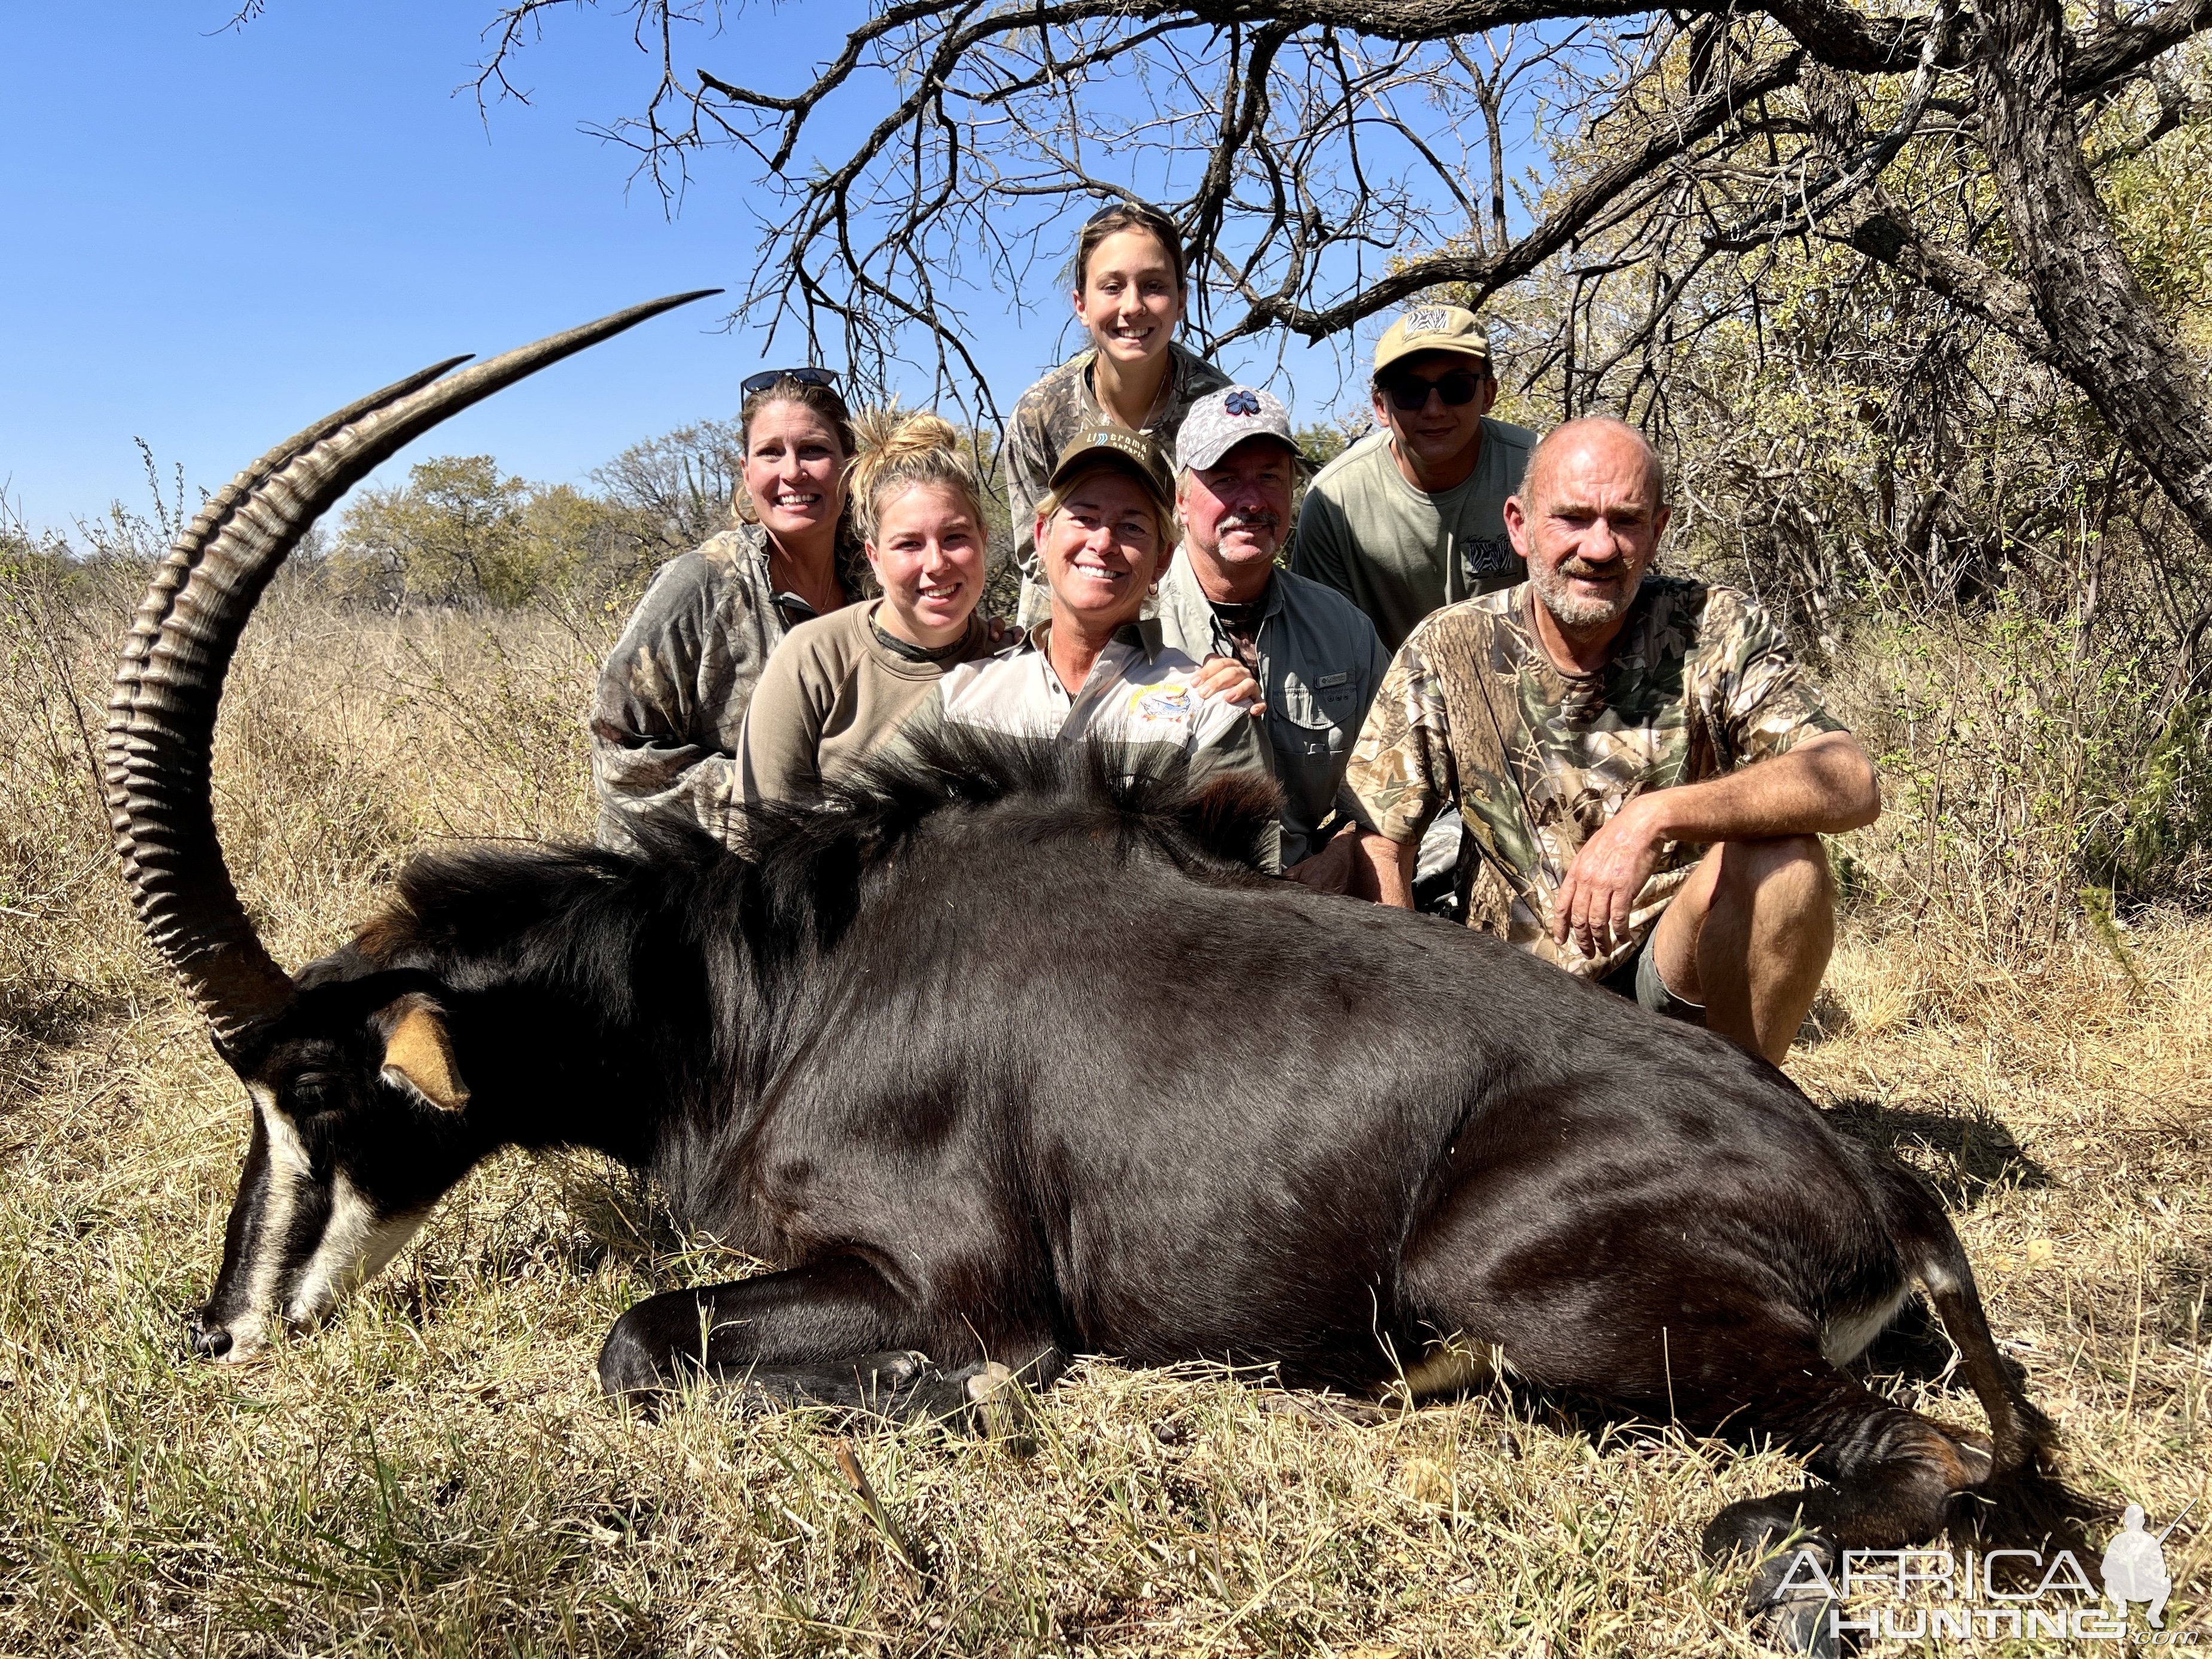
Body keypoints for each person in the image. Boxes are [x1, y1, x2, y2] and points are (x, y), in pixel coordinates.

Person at [1343, 416, 1881, 1066]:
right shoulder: (1449, 645)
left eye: (1624, 521)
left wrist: (1652, 817)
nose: (1599, 548)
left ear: (1657, 530)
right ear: (1518, 525)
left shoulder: (1714, 626)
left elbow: (1848, 779)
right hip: (1512, 993)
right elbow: (1381, 833)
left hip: (1671, 969)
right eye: (1571, 518)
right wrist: (1410, 1013)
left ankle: (1747, 1113)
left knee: (1786, 861)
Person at [925, 426, 1280, 868]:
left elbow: (1240, 895)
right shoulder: (959, 696)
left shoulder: (1210, 712)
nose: (1103, 543)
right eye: (1084, 517)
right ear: (1042, 535)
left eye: (1131, 526)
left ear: (1163, 559)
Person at [590, 368, 869, 851]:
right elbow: (617, 750)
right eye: (770, 453)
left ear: (851, 465)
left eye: (815, 450)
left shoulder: (880, 581)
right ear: (746, 472)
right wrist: (770, 803)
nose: (793, 472)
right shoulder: (701, 583)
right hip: (699, 886)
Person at [1154, 383, 1388, 891]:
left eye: (1269, 478)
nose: (1252, 500)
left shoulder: (1343, 628)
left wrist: (1348, 849)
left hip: (1314, 899)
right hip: (1177, 905)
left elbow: (1398, 780)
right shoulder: (1136, 625)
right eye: (1225, 479)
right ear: (1181, 499)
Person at [735, 410, 1002, 805]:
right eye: (909, 544)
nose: (937, 563)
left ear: (983, 539)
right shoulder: (813, 657)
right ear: (874, 558)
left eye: (955, 537)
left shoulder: (1012, 662)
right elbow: (761, 831)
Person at [1002, 201, 1231, 627]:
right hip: (1066, 620)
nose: (1133, 306)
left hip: (1186, 627)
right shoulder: (1040, 415)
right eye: (1112, 287)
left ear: (1182, 300)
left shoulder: (1217, 410)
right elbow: (1035, 558)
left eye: (1154, 286)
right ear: (1081, 304)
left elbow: (1223, 548)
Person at [1291, 303, 1539, 655]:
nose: (1434, 409)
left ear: (1488, 394)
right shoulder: (1335, 501)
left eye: (1457, 387)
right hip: (1387, 699)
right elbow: (1322, 644)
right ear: (1381, 406)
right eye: (1410, 391)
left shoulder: (1539, 471)